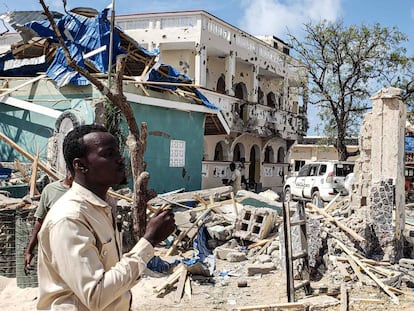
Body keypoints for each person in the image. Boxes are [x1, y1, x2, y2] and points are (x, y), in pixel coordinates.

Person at [37, 124, 175, 310]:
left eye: (118, 152)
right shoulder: (69, 218)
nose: (120, 159)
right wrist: (149, 241)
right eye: (109, 154)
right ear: (80, 165)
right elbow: (96, 295)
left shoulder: (104, 206)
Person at [24, 170, 73, 272]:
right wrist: (29, 250)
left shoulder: (86, 192)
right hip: (55, 250)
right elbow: (40, 221)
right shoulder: (50, 190)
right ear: (68, 170)